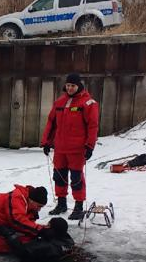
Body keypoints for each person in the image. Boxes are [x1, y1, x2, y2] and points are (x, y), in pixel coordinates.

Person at [41, 72, 99, 220]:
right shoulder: (59, 102)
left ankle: (79, 206)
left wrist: (89, 146)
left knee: (76, 178)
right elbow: (51, 123)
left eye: (72, 85)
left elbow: (92, 126)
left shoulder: (88, 103)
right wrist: (46, 142)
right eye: (68, 85)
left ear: (79, 85)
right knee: (59, 177)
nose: (70, 88)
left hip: (77, 149)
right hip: (60, 148)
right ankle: (61, 204)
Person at [0, 217, 75, 261]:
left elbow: (21, 251)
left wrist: (9, 234)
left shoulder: (47, 246)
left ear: (52, 229)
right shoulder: (68, 240)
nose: (45, 226)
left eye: (48, 225)